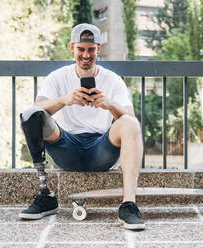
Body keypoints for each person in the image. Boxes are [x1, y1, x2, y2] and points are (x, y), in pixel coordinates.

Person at [19, 23, 145, 230]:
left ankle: (128, 205)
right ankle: (46, 195)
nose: (86, 55)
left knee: (129, 122)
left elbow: (132, 121)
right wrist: (65, 100)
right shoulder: (57, 77)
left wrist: (109, 104)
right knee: (33, 115)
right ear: (72, 48)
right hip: (67, 146)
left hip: (101, 149)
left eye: (91, 50)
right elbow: (34, 110)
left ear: (98, 49)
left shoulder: (112, 80)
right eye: (81, 49)